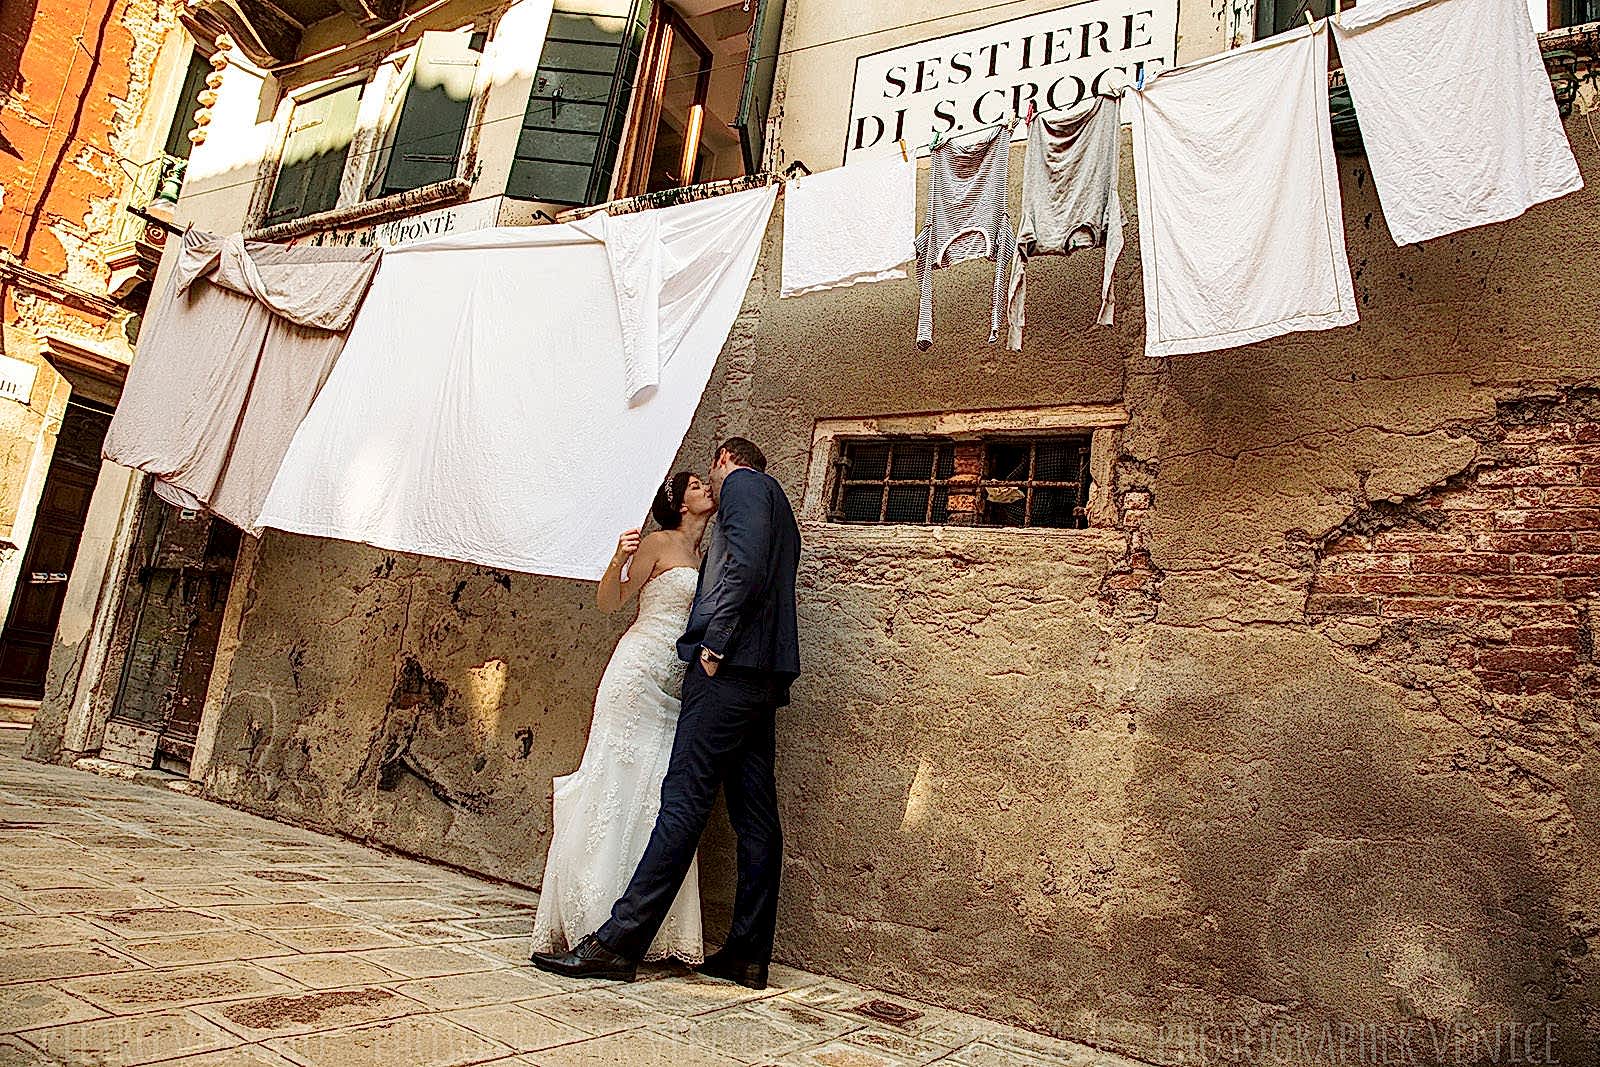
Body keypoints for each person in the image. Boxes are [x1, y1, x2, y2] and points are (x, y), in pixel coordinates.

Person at [531, 437, 801, 989]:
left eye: (712, 470)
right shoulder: (782, 514)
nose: (710, 482)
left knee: (682, 802)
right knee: (754, 813)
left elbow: (743, 570)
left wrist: (716, 644)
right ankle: (748, 954)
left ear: (726, 459)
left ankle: (618, 942)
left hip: (725, 675)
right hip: (756, 680)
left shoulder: (746, 486)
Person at [528, 471, 717, 965]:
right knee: (614, 778)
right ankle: (591, 919)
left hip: (676, 684)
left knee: (658, 792)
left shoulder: (705, 555)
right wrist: (618, 557)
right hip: (636, 672)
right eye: (696, 484)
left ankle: (638, 925)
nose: (706, 488)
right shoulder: (659, 542)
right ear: (678, 502)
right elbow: (611, 602)